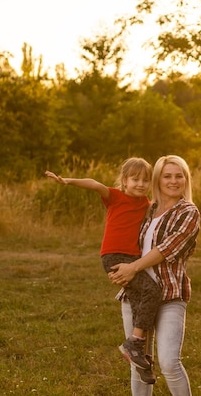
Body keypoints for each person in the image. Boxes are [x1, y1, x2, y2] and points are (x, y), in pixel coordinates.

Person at [44, 158, 161, 382]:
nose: (140, 184)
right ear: (124, 181)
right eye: (135, 179)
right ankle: (134, 343)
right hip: (115, 257)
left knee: (139, 302)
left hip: (134, 259)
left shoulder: (147, 204)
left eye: (145, 180)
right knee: (151, 291)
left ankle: (141, 358)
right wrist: (68, 181)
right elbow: (95, 184)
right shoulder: (115, 197)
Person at [109, 155, 200, 396]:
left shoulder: (188, 212)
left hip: (170, 293)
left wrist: (133, 268)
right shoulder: (147, 208)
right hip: (136, 294)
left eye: (179, 176)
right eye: (167, 176)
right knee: (138, 364)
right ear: (158, 180)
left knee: (169, 363)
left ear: (186, 179)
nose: (173, 181)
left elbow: (166, 249)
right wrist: (116, 264)